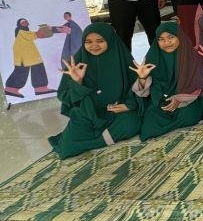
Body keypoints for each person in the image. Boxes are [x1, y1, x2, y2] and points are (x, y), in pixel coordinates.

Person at [49, 23, 142, 159]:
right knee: (66, 148)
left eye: (100, 41)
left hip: (116, 113)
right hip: (88, 113)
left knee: (133, 123)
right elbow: (65, 96)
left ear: (110, 40)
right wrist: (77, 82)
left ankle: (93, 141)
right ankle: (105, 139)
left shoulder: (122, 58)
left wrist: (129, 105)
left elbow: (136, 87)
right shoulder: (77, 63)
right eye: (88, 42)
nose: (94, 45)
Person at [133, 22, 203, 141]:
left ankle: (167, 127)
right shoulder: (152, 57)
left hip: (185, 100)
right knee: (149, 125)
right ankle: (170, 126)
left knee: (190, 116)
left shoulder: (191, 55)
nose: (167, 42)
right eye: (161, 39)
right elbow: (146, 92)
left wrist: (179, 99)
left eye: (171, 37)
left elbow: (198, 83)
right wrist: (142, 78)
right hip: (160, 102)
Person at [5, 18, 56, 98]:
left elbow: (37, 34)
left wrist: (50, 29)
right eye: (23, 22)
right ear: (19, 24)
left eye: (26, 21)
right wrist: (49, 29)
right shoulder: (21, 32)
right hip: (23, 55)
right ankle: (11, 88)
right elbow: (38, 34)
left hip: (30, 54)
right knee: (21, 70)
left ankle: (41, 88)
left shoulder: (27, 32)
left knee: (38, 67)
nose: (25, 22)